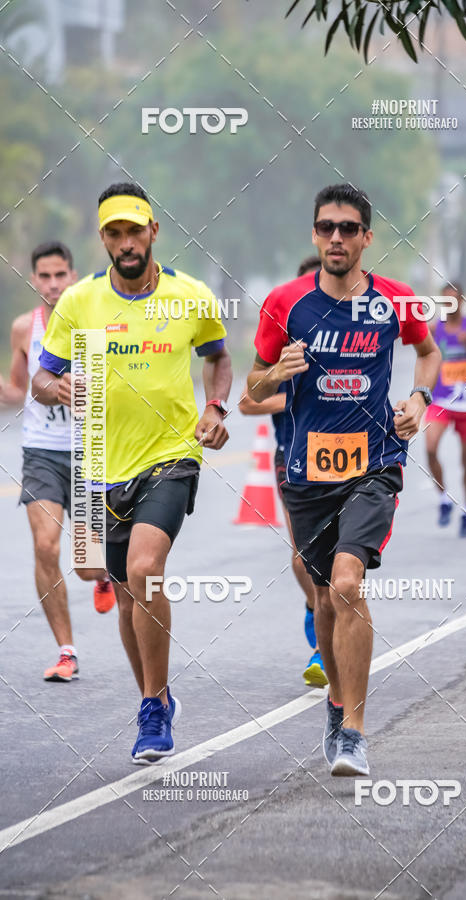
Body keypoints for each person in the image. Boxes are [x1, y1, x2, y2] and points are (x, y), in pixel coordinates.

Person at [32, 184, 232, 763]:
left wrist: (215, 408)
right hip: (98, 462)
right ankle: (160, 695)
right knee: (120, 593)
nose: (126, 243)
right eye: (114, 234)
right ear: (104, 240)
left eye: (134, 231)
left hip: (170, 456)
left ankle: (149, 708)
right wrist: (60, 387)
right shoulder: (79, 303)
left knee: (145, 569)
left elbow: (217, 356)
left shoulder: (189, 296)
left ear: (153, 232)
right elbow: (44, 375)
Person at [246, 183, 440, 776]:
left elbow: (428, 353)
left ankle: (353, 730)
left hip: (375, 463)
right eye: (326, 227)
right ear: (313, 234)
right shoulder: (284, 304)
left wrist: (419, 397)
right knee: (326, 599)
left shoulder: (395, 300)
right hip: (307, 474)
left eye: (348, 228)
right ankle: (335, 700)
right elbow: (251, 390)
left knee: (348, 582)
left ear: (366, 238)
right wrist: (275, 371)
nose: (336, 237)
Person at [0, 241, 116, 684]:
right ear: (34, 280)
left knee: (86, 565)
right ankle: (66, 651)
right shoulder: (21, 328)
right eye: (44, 276)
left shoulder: (96, 324)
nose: (52, 284)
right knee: (46, 545)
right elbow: (17, 388)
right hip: (41, 451)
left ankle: (103, 574)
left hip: (90, 452)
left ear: (73, 276)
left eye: (60, 275)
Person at [239, 255, 326, 687]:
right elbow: (245, 401)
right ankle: (317, 626)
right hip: (291, 457)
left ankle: (331, 631)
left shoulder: (350, 333)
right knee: (302, 555)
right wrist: (286, 392)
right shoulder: (285, 339)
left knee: (343, 559)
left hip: (348, 460)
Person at [424, 282, 466, 537]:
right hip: (441, 401)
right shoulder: (434, 329)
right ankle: (443, 499)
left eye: (454, 300)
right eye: (445, 301)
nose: (450, 305)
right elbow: (425, 359)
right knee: (430, 448)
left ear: (462, 301)